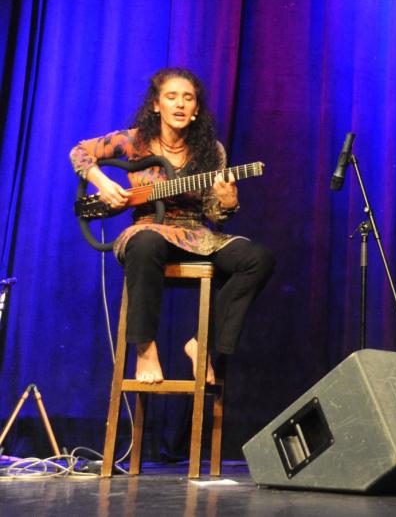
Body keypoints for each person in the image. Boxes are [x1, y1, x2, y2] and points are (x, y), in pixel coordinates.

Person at [70, 67, 274, 385]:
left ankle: (202, 345)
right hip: (148, 228)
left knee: (257, 259)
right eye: (171, 97)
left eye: (187, 98)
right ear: (156, 105)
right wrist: (103, 182)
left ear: (196, 109)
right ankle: (145, 349)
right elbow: (79, 151)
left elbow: (215, 215)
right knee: (147, 241)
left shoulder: (211, 151)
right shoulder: (134, 141)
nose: (179, 104)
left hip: (196, 233)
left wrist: (228, 202)